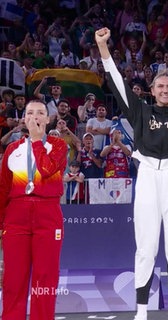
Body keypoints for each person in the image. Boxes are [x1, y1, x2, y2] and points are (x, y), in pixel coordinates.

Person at [95, 27, 168, 320]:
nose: (166, 90)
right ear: (152, 90)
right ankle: (141, 311)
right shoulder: (141, 112)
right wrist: (103, 48)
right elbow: (117, 84)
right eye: (160, 87)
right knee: (145, 247)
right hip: (147, 179)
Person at [0, 100, 67, 320]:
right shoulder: (12, 149)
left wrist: (37, 141)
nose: (35, 117)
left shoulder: (58, 145)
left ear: (48, 119)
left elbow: (46, 169)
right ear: (24, 119)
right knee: (13, 279)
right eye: (30, 113)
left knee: (45, 280)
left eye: (40, 113)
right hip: (16, 216)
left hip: (47, 215)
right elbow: (3, 189)